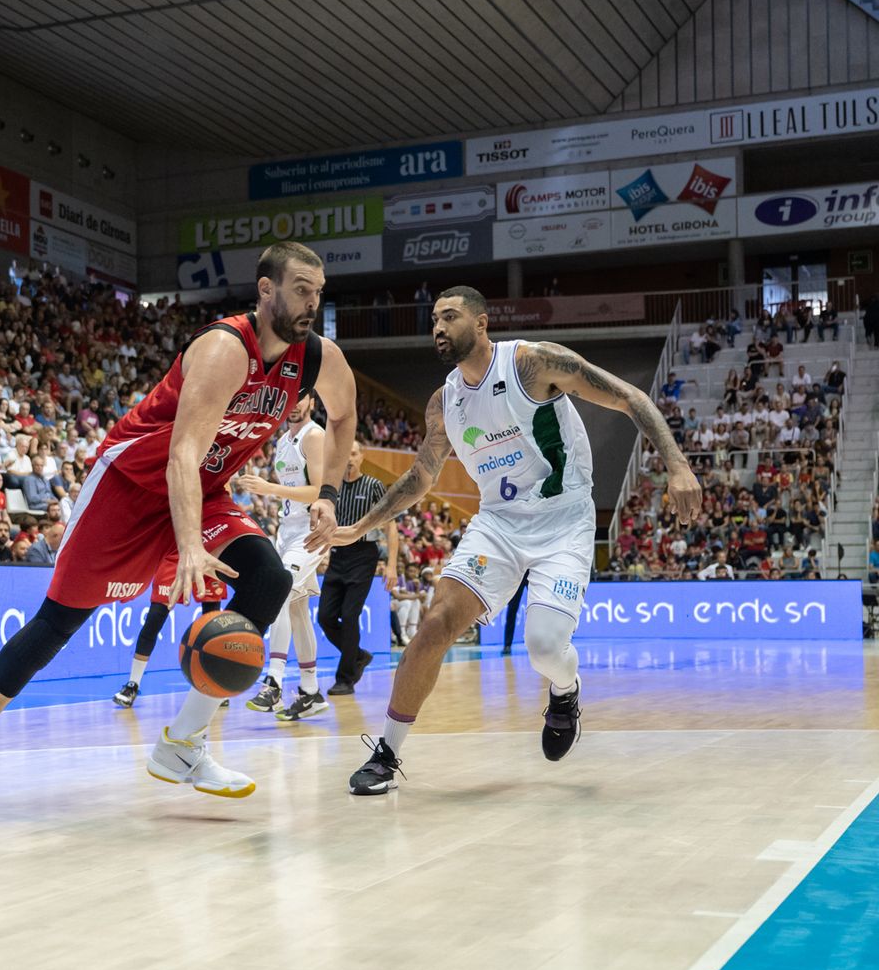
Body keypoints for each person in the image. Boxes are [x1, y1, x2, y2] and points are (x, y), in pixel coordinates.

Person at [0, 241, 358, 811]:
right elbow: (181, 453)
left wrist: (327, 494)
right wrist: (187, 548)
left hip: (203, 490)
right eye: (302, 288)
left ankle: (182, 743)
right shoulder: (225, 347)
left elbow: (345, 413)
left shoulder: (319, 357)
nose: (313, 302)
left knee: (269, 579)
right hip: (129, 486)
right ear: (266, 289)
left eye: (319, 291)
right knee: (57, 624)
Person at [313, 286, 701, 795]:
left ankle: (565, 691)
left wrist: (676, 464)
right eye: (433, 318)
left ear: (481, 323)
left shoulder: (532, 364)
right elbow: (420, 478)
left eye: (449, 317)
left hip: (564, 521)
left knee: (543, 647)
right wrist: (362, 526)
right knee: (433, 624)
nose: (437, 327)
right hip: (497, 523)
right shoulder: (444, 402)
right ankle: (387, 752)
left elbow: (630, 397)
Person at [234, 389, 329, 719]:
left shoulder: (314, 435)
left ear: (312, 403)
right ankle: (311, 691)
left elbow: (318, 489)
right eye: (291, 399)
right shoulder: (283, 440)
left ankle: (273, 679)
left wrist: (268, 489)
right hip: (287, 531)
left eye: (302, 399)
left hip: (312, 531)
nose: (295, 405)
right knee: (297, 609)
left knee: (282, 590)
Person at [315, 439, 392, 694]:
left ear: (362, 457)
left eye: (354, 453)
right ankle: (357, 655)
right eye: (345, 454)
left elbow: (391, 527)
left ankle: (345, 678)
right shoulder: (332, 488)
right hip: (337, 554)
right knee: (324, 616)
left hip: (363, 555)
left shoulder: (374, 486)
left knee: (349, 615)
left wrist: (391, 565)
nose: (349, 458)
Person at [112, 551, 227, 709]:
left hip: (210, 551)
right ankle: (132, 685)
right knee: (155, 619)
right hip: (176, 553)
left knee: (212, 624)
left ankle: (216, 685)